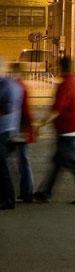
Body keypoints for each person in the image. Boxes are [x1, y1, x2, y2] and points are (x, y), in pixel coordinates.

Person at [37, 57, 75, 205]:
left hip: (68, 129)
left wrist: (40, 124)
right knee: (58, 162)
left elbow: (56, 109)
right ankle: (45, 192)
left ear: (60, 67)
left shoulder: (65, 84)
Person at [7, 62, 36, 204]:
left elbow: (24, 110)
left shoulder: (18, 87)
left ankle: (25, 192)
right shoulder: (20, 86)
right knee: (22, 160)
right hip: (19, 128)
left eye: (12, 71)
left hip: (17, 129)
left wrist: (26, 129)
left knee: (17, 160)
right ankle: (26, 192)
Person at [0, 60, 23, 210]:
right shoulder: (12, 84)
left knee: (3, 166)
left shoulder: (5, 85)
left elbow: (6, 108)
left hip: (3, 130)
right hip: (10, 128)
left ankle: (9, 199)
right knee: (5, 165)